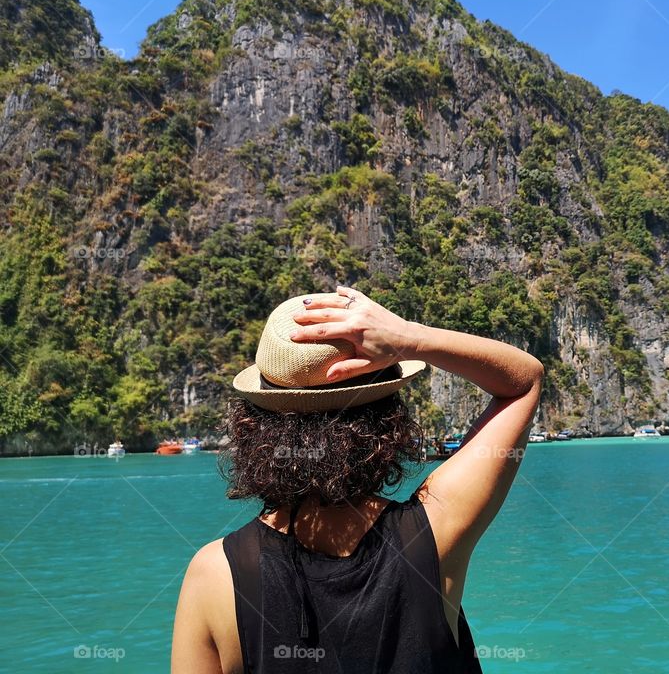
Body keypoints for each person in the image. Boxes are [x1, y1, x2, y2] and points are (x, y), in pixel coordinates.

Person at [171, 287, 544, 673]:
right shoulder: (435, 531)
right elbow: (523, 382)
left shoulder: (214, 574)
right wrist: (410, 338)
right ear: (387, 425)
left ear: (254, 427)